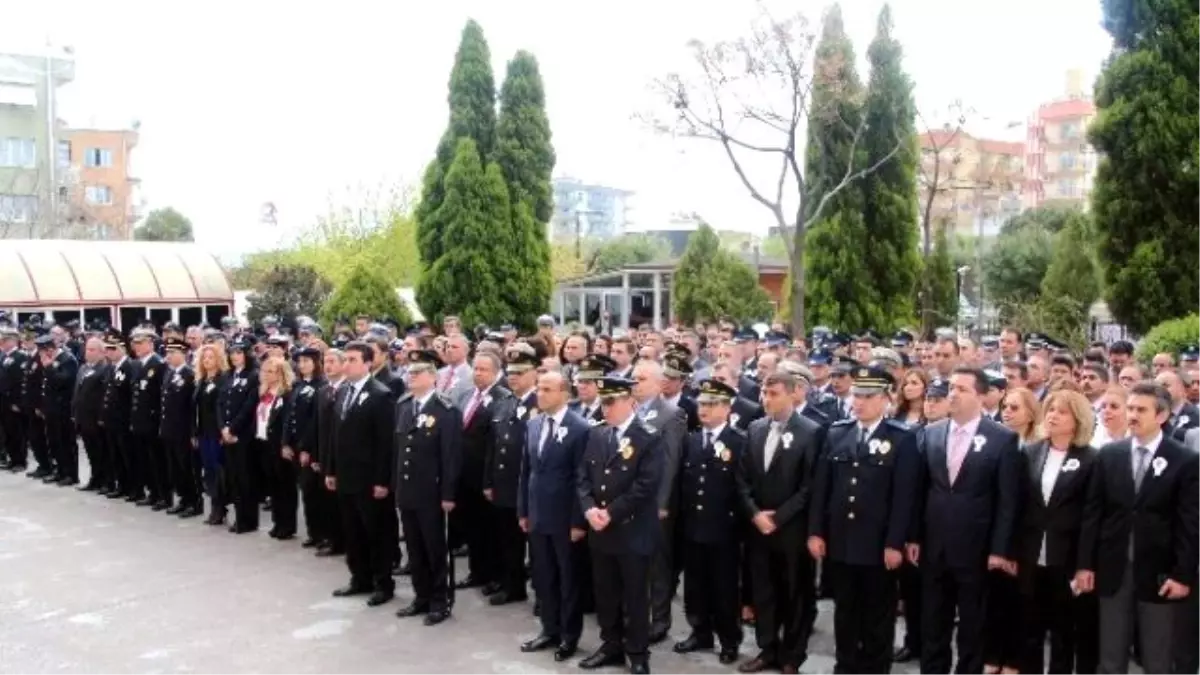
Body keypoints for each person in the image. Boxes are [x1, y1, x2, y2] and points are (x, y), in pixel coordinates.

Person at [1079, 382, 1200, 675]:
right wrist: (1085, 565)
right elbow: (1093, 514)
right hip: (1113, 569)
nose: (1132, 415)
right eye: (1130, 408)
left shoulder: (1185, 460)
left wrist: (1183, 574)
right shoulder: (1109, 455)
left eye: (1140, 410)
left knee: (1158, 658)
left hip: (1159, 572)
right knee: (1110, 657)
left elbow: (1190, 523)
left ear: (1161, 416)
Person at [809, 364, 919, 675]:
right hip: (842, 541)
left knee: (877, 614)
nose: (860, 402)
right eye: (857, 395)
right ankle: (845, 666)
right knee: (844, 612)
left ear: (886, 399)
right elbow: (822, 488)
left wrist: (895, 542)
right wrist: (816, 531)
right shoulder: (837, 432)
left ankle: (874, 668)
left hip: (877, 544)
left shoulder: (901, 438)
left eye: (868, 396)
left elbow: (903, 497)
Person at [912, 366, 1022, 675]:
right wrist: (914, 537)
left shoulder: (1002, 439)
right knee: (933, 622)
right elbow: (920, 491)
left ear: (981, 395)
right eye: (951, 388)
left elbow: (1007, 501)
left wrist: (1000, 550)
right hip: (934, 547)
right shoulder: (932, 433)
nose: (953, 394)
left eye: (962, 389)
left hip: (976, 549)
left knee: (973, 625)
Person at [736, 370, 824, 675]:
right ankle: (767, 648)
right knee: (764, 591)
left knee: (795, 594)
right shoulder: (755, 428)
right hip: (759, 527)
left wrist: (781, 516)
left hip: (792, 529)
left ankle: (792, 656)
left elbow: (810, 485)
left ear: (792, 393)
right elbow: (743, 478)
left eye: (774, 394)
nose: (766, 399)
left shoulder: (811, 431)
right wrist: (755, 513)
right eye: (764, 393)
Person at [577, 376, 663, 675]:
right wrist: (589, 509)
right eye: (603, 401)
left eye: (612, 401)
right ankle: (611, 644)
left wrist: (609, 512)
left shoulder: (648, 436)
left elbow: (646, 485)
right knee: (606, 592)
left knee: (636, 595)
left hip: (632, 529)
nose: (606, 407)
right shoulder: (597, 434)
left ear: (632, 402)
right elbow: (583, 478)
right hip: (601, 530)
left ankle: (638, 651)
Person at [1018, 390, 1099, 675]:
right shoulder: (1030, 451)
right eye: (1050, 409)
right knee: (1029, 630)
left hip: (1066, 558)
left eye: (1061, 411)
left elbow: (1092, 516)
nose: (1052, 415)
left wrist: (1085, 564)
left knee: (1064, 633)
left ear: (1077, 420)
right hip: (1029, 556)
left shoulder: (1091, 459)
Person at [673, 378, 747, 665]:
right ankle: (700, 631)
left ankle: (729, 639)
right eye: (701, 403)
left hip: (724, 529)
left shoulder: (738, 441)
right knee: (695, 585)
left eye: (710, 404)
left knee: (725, 588)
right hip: (693, 525)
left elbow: (742, 488)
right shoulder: (691, 439)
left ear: (727, 408)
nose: (702, 409)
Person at [518, 369, 590, 661]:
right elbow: (526, 471)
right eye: (539, 388)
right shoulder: (533, 424)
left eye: (548, 389)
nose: (540, 393)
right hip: (538, 514)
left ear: (564, 393)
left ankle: (569, 636)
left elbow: (581, 479)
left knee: (568, 579)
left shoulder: (580, 428)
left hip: (564, 518)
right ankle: (549, 629)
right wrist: (523, 509)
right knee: (543, 576)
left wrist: (577, 521)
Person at [326, 341, 397, 608]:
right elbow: (335, 435)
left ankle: (383, 583)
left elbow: (385, 442)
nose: (346, 364)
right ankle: (359, 577)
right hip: (346, 475)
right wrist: (331, 468)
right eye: (345, 359)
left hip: (369, 479)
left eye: (352, 359)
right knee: (352, 531)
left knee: (376, 532)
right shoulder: (343, 391)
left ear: (367, 363)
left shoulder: (380, 394)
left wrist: (382, 480)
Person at [393, 349, 461, 625]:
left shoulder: (445, 410)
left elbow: (451, 456)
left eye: (417, 373)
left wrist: (448, 493)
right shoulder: (404, 405)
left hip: (431, 491)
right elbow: (397, 450)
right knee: (414, 546)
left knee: (435, 547)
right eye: (409, 372)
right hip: (407, 488)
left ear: (432, 378)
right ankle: (421, 596)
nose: (410, 377)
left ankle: (440, 600)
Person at [483, 343, 540, 605]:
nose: (513, 377)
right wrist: (488, 480)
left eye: (520, 372)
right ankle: (512, 585)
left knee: (538, 546)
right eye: (511, 372)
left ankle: (543, 596)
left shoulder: (540, 403)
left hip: (529, 485)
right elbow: (493, 446)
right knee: (507, 539)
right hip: (505, 484)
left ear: (534, 373)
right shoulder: (503, 402)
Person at [286, 346, 326, 548]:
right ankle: (313, 532)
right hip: (295, 444)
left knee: (315, 492)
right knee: (306, 492)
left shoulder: (321, 386)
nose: (302, 365)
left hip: (311, 447)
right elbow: (289, 415)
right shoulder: (298, 385)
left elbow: (314, 421)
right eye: (300, 362)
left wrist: (306, 449)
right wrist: (286, 441)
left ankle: (322, 533)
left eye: (307, 361)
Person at [219, 338, 260, 533]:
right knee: (233, 478)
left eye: (238, 352)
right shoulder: (227, 375)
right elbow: (220, 404)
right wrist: (223, 428)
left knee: (246, 479)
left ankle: (248, 520)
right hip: (227, 434)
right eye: (232, 353)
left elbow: (249, 406)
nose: (234, 356)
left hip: (243, 435)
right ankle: (239, 517)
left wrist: (233, 429)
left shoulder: (253, 376)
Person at [160, 337, 199, 517]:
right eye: (167, 353)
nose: (168, 356)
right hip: (169, 428)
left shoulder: (189, 375)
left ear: (183, 354)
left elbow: (192, 408)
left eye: (172, 353)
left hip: (183, 430)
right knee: (174, 468)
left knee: (186, 468)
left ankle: (194, 502)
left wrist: (193, 431)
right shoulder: (169, 374)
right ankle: (183, 499)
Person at [257, 355, 295, 539]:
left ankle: (287, 524)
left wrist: (285, 443)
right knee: (272, 484)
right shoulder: (264, 392)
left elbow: (287, 421)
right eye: (264, 371)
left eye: (270, 372)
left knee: (284, 486)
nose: (266, 375)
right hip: (264, 442)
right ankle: (277, 521)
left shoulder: (286, 394)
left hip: (278, 444)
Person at [129, 330, 166, 507]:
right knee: (144, 459)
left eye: (141, 343)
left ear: (151, 344)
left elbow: (160, 395)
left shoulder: (158, 364)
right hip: (140, 419)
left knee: (157, 460)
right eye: (135, 343)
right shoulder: (138, 364)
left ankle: (163, 495)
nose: (137, 346)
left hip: (152, 419)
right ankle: (152, 492)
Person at [193, 343, 230, 526]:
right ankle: (215, 506)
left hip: (216, 432)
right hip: (203, 432)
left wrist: (223, 430)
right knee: (208, 471)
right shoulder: (201, 380)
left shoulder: (222, 379)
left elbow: (222, 407)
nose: (207, 361)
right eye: (204, 357)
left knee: (218, 470)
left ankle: (220, 507)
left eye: (211, 357)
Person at [73, 336, 110, 492]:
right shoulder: (83, 368)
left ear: (102, 353)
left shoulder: (104, 369)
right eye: (87, 349)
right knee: (90, 452)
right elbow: (77, 393)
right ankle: (95, 478)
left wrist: (101, 416)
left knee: (101, 452)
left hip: (95, 418)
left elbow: (104, 396)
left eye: (92, 349)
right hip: (83, 418)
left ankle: (106, 481)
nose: (88, 352)